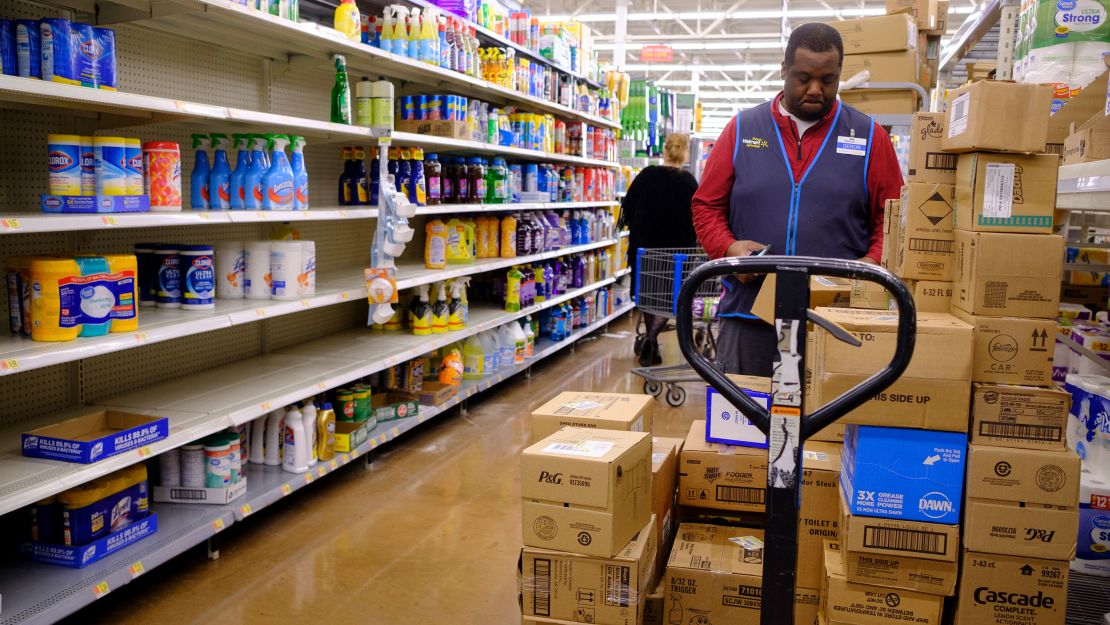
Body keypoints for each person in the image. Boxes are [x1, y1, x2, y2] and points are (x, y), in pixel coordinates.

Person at [691, 22, 904, 376]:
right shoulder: (743, 130)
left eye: (829, 80)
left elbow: (894, 219)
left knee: (830, 430)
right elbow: (706, 206)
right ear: (784, 70)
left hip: (836, 323)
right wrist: (729, 249)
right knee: (744, 423)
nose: (816, 90)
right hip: (749, 315)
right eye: (804, 78)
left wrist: (869, 265)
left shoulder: (870, 138)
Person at [622, 133, 699, 366]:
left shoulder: (646, 176)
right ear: (686, 153)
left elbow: (628, 207)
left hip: (645, 249)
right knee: (670, 297)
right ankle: (652, 337)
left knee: (647, 294)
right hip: (677, 254)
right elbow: (698, 217)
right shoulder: (689, 182)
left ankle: (649, 340)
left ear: (665, 150)